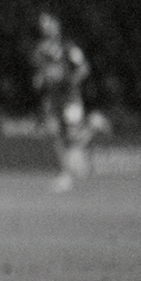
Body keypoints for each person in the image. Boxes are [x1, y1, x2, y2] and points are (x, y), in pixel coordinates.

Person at [29, 11, 97, 192]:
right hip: (54, 100)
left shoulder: (68, 47)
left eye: (48, 22)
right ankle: (67, 174)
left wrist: (71, 81)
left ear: (56, 25)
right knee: (56, 135)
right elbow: (42, 72)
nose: (45, 27)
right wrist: (41, 79)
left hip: (70, 98)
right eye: (42, 24)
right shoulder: (40, 50)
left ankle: (92, 129)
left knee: (71, 136)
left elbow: (84, 68)